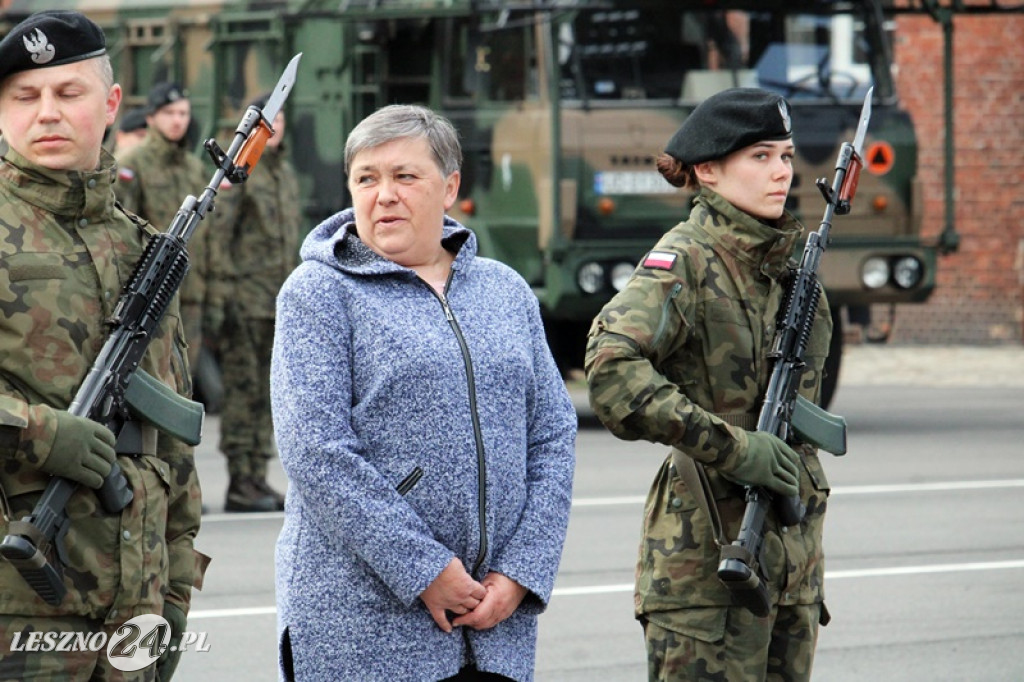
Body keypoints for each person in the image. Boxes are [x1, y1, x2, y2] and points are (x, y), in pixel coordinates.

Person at [270, 104, 577, 681]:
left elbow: (553, 435)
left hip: (496, 629)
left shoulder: (504, 290)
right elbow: (316, 450)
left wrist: (520, 573)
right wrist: (425, 569)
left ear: (450, 186)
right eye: (366, 178)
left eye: (404, 177)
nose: (383, 195)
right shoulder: (317, 294)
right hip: (363, 629)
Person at [585, 88, 833, 681]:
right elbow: (611, 367)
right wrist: (735, 448)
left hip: (791, 568)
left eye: (786, 155)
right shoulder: (686, 261)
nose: (781, 171)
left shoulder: (792, 268)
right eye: (760, 157)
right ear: (708, 171)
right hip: (705, 570)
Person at [0, 10, 208, 680]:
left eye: (69, 93)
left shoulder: (142, 245)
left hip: (136, 613)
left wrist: (174, 592)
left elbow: (170, 430)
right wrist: (41, 433)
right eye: (25, 97)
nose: (47, 114)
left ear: (111, 103)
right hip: (19, 612)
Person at [209, 93, 301, 512]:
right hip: (245, 299)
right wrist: (224, 294)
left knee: (268, 393)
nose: (277, 126)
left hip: (277, 300)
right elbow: (220, 234)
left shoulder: (285, 174)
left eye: (281, 118)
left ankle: (258, 475)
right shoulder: (243, 168)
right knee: (242, 392)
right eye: (270, 119)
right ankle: (239, 478)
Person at [114, 80, 221, 384]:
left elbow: (209, 235)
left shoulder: (193, 168)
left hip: (191, 295)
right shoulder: (131, 165)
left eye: (183, 113)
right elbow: (123, 231)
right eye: (169, 113)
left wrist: (212, 294)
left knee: (183, 381)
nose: (178, 121)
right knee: (149, 379)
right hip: (151, 296)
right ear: (151, 118)